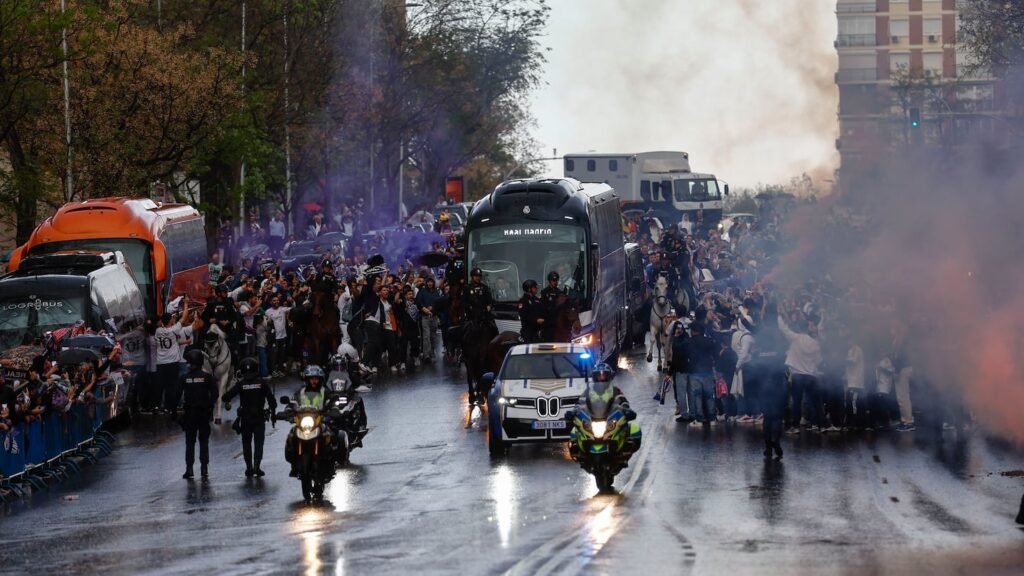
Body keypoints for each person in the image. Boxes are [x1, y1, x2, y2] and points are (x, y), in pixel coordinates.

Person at [221, 357, 277, 477]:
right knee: (259, 442)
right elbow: (272, 401)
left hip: (245, 418)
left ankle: (249, 468)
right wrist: (273, 413)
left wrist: (233, 387)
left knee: (246, 443)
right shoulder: (262, 383)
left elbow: (225, 397)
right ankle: (257, 466)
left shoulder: (241, 384)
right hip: (259, 417)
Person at [179, 349, 219, 480]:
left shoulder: (184, 378)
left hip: (190, 413)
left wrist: (174, 412)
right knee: (204, 441)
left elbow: (176, 394)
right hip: (203, 413)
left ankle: (189, 469)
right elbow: (215, 393)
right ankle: (204, 468)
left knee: (190, 442)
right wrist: (209, 405)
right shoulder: (207, 377)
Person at [415, 277, 441, 361]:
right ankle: (426, 354)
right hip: (425, 316)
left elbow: (439, 302)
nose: (430, 283)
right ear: (426, 283)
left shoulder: (436, 292)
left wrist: (433, 308)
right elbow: (418, 302)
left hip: (434, 316)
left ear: (433, 283)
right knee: (426, 336)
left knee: (433, 336)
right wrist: (424, 308)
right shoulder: (422, 291)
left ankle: (432, 352)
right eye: (428, 282)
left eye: (431, 282)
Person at [540, 271, 565, 341]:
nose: (555, 282)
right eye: (553, 280)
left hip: (558, 322)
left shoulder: (560, 292)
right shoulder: (544, 292)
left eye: (556, 280)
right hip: (548, 322)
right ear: (549, 281)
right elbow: (543, 307)